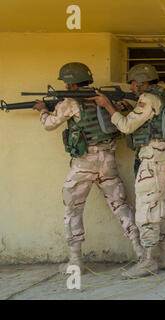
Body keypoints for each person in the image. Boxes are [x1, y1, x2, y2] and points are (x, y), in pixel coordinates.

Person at [32, 62, 143, 274]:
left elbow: (49, 124)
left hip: (84, 162)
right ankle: (140, 253)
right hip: (108, 160)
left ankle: (75, 262)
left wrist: (43, 110)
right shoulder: (103, 98)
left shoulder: (71, 102)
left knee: (73, 208)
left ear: (71, 84)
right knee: (120, 205)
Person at [88, 64, 165, 279]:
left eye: (133, 83)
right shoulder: (161, 96)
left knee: (146, 212)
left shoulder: (148, 97)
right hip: (161, 157)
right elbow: (143, 121)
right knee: (160, 210)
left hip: (152, 160)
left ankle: (148, 262)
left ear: (142, 83)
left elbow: (127, 126)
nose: (131, 86)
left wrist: (108, 107)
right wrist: (126, 108)